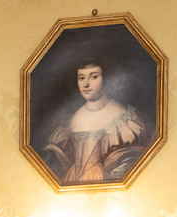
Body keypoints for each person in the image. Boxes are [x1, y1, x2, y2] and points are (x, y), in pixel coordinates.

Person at [41, 57, 147, 185]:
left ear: (106, 78)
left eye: (94, 77)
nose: (86, 84)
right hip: (71, 187)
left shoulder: (123, 119)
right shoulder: (72, 119)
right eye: (81, 78)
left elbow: (130, 164)